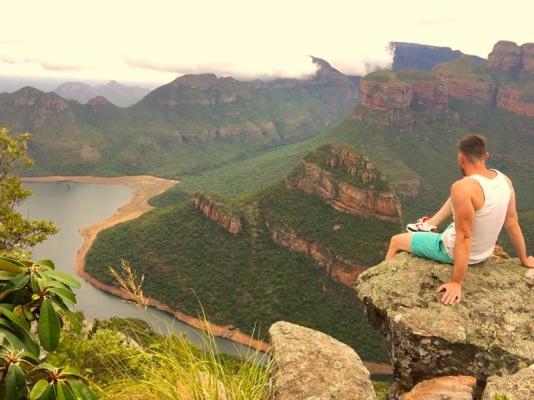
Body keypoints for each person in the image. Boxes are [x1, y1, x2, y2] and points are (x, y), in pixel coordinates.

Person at [385, 133, 534, 305]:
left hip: (453, 250)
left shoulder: (462, 188)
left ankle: (388, 292)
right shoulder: (504, 180)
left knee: (396, 241)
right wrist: (524, 259)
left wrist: (456, 282)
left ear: (461, 158)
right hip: (485, 251)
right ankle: (430, 224)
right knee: (460, 194)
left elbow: (464, 238)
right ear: (485, 156)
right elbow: (512, 222)